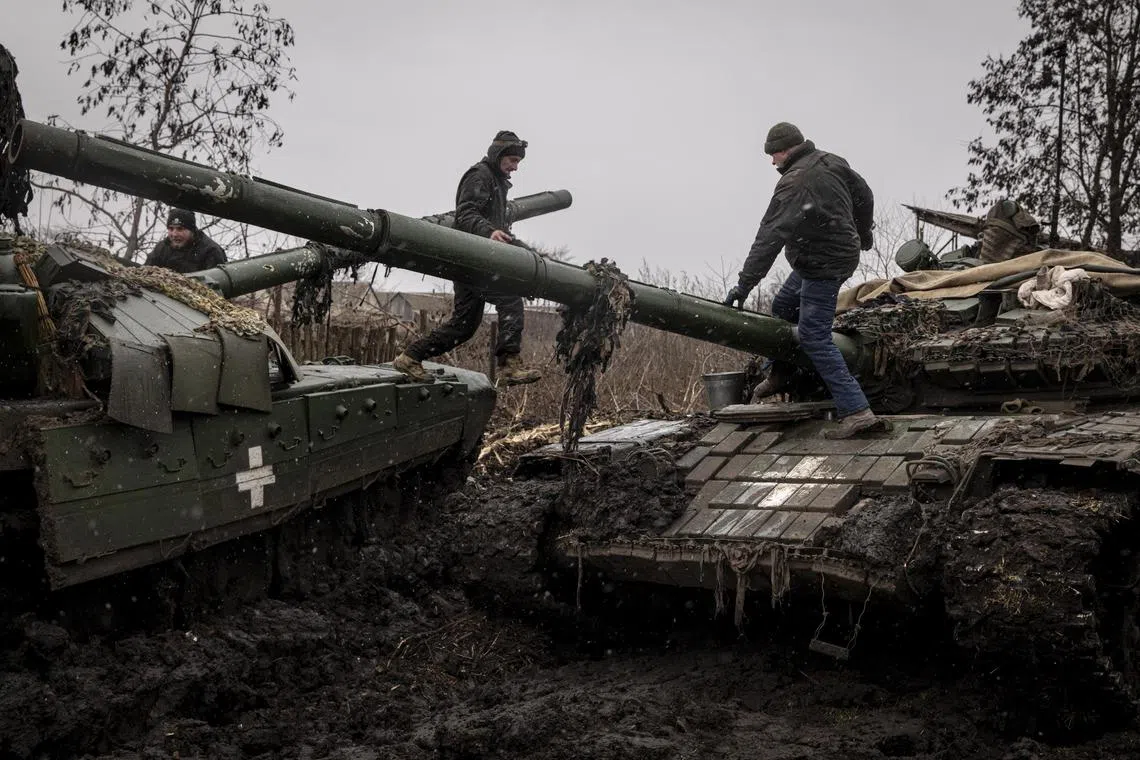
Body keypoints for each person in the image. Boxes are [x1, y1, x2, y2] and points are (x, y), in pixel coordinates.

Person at [723, 122, 881, 439]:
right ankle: (781, 373)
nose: (772, 162)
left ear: (785, 150)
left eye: (773, 154)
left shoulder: (794, 183)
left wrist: (744, 284)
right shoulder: (830, 160)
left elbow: (769, 237)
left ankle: (857, 411)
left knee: (814, 336)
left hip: (824, 262)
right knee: (783, 305)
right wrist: (863, 232)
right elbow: (864, 195)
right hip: (828, 254)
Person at [393, 130, 541, 386]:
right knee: (510, 299)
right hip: (472, 261)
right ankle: (509, 365)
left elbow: (496, 226)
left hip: (475, 261)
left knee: (463, 327)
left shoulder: (496, 180)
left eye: (518, 162)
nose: (515, 167)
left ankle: (410, 357)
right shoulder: (479, 176)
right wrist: (489, 232)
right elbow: (466, 214)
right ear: (499, 155)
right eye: (513, 160)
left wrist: (525, 250)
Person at [145, 208, 227, 273]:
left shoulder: (211, 252)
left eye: (180, 229)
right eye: (171, 229)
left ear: (192, 231)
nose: (174, 234)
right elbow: (145, 273)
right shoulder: (162, 248)